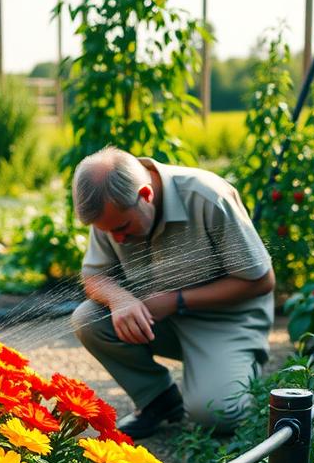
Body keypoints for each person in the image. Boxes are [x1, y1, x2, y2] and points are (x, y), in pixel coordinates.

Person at [70, 147, 275, 439]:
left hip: (226, 323)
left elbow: (261, 281)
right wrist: (120, 299)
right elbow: (94, 275)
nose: (116, 238)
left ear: (146, 194)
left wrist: (177, 300)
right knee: (87, 318)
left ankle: (237, 367)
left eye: (122, 228)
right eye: (108, 232)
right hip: (157, 317)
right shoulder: (111, 209)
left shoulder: (208, 196)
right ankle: (159, 401)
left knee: (218, 415)